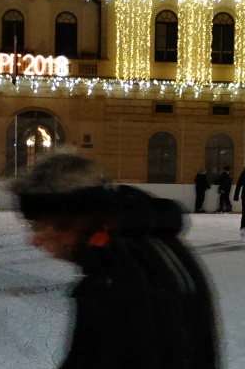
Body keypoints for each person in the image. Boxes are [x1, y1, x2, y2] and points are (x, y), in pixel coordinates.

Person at [11, 153, 220, 369]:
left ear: (72, 223)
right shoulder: (158, 246)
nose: (33, 241)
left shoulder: (112, 282)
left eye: (38, 227)